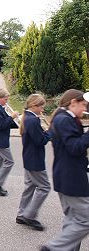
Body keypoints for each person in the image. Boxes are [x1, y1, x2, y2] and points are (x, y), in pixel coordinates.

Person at [41, 89, 89, 251]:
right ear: (73, 103)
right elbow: (75, 147)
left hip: (67, 176)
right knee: (85, 220)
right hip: (72, 178)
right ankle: (54, 248)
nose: (85, 109)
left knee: (73, 218)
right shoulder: (64, 120)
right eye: (83, 105)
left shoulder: (65, 118)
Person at [16, 94, 51, 231]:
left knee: (30, 186)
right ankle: (29, 216)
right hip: (35, 159)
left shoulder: (28, 117)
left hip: (29, 158)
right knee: (44, 187)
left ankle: (21, 214)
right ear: (33, 106)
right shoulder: (32, 120)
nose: (42, 109)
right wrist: (50, 132)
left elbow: (37, 137)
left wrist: (45, 132)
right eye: (41, 106)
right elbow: (40, 141)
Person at [0, 88, 19, 196]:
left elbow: (8, 123)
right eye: (5, 99)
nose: (6, 101)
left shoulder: (1, 108)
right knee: (10, 162)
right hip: (0, 140)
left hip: (0, 139)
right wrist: (12, 117)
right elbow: (1, 125)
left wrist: (18, 121)